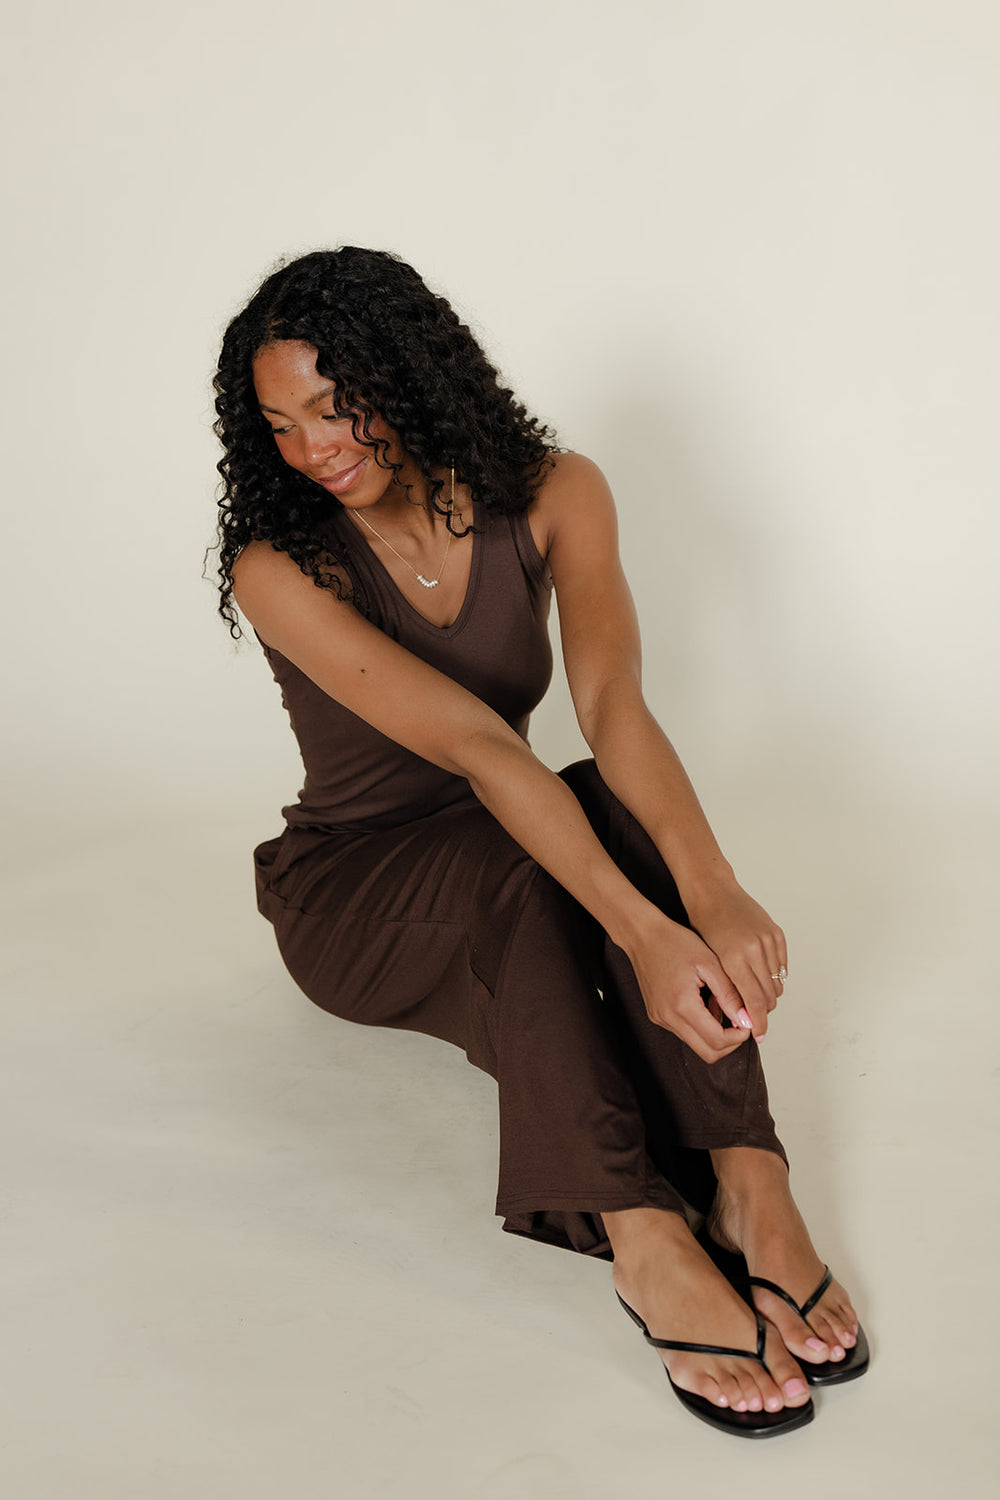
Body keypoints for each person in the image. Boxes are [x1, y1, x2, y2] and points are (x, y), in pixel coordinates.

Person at [210, 246, 867, 1438]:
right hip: (358, 894)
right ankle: (643, 1233)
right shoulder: (281, 565)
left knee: (600, 802)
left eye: (332, 404)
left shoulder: (558, 491)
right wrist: (641, 933)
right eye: (282, 425)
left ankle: (749, 1182)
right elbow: (479, 750)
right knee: (526, 842)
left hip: (509, 841)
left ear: (405, 372)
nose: (313, 448)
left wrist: (707, 894)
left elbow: (613, 707)